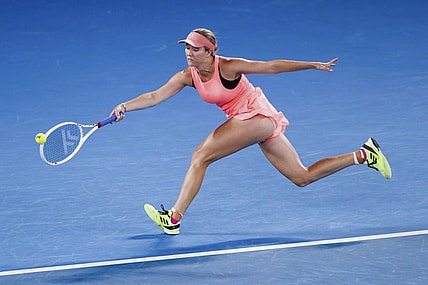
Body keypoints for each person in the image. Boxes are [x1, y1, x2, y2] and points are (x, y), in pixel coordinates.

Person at [110, 28, 391, 235]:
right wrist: (125, 105)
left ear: (210, 51)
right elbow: (155, 96)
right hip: (254, 123)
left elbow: (270, 66)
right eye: (186, 47)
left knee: (200, 157)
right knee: (302, 177)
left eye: (195, 48)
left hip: (256, 116)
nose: (188, 52)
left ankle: (174, 218)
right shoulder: (187, 76)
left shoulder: (229, 66)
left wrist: (312, 65)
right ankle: (365, 155)